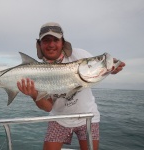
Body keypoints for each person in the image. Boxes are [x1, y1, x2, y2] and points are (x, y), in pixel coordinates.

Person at [17, 22, 125, 150]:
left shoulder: (80, 55)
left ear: (63, 42)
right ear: (39, 45)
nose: (51, 44)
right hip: (59, 118)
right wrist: (34, 95)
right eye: (46, 41)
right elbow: (47, 107)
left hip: (88, 116)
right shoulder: (38, 71)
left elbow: (95, 69)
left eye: (55, 40)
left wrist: (110, 68)